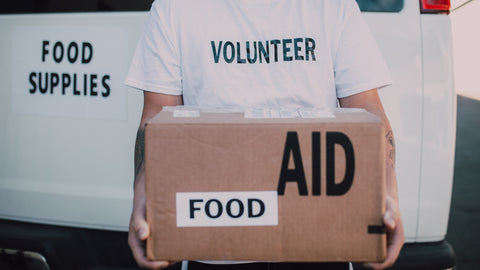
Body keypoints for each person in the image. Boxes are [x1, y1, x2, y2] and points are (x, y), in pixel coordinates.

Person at [125, 0, 404, 269]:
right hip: (214, 239)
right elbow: (157, 119)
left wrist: (387, 194)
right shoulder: (174, 8)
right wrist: (143, 195)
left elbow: (367, 111)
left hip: (320, 238)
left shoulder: (333, 6)